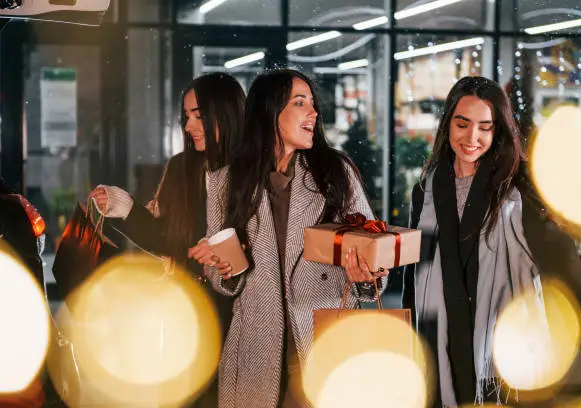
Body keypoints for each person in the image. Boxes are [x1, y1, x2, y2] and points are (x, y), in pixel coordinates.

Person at [402, 76, 581, 407]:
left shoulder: (517, 190)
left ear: (497, 130)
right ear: (447, 125)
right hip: (440, 340)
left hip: (500, 352)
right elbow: (417, 267)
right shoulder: (425, 191)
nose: (473, 137)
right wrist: (407, 332)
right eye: (463, 124)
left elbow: (560, 256)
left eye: (485, 127)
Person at [187, 69, 389, 408]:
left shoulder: (336, 173)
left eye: (313, 104)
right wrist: (223, 266)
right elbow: (223, 280)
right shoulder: (226, 182)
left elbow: (373, 248)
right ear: (270, 112)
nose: (313, 113)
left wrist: (366, 279)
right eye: (300, 103)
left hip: (324, 344)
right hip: (255, 352)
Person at [87, 72, 246, 407]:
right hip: (188, 313)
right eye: (186, 117)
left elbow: (264, 243)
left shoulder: (253, 172)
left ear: (226, 113)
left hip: (242, 315)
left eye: (199, 116)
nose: (189, 126)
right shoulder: (180, 168)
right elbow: (167, 240)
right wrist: (123, 206)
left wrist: (225, 249)